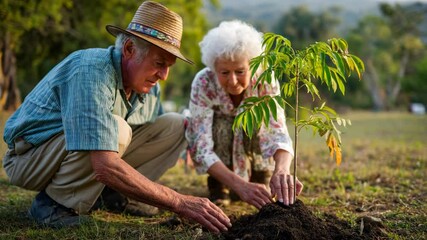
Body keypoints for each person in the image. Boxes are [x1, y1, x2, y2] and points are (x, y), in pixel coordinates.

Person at [2, 1, 231, 232]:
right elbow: (104, 163)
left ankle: (112, 195)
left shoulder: (149, 85)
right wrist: (178, 202)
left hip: (83, 156)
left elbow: (147, 140)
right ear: (129, 49)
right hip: (29, 158)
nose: (163, 75)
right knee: (116, 130)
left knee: (177, 125)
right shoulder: (91, 70)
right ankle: (52, 206)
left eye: (168, 66)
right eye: (159, 63)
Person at [186, 20, 304, 209]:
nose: (232, 81)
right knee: (223, 124)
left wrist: (281, 170)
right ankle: (220, 183)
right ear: (214, 69)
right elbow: (201, 147)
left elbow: (277, 130)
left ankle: (262, 173)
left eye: (240, 71)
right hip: (220, 143)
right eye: (224, 72)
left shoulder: (265, 78)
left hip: (256, 146)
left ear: (252, 65)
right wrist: (239, 185)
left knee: (255, 117)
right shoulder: (203, 83)